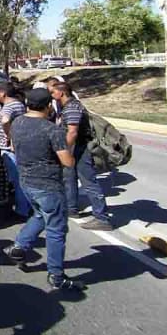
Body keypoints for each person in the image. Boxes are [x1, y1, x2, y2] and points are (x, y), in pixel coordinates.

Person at [4, 89, 85, 291]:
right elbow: (67, 162)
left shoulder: (17, 123)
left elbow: (14, 146)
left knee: (40, 215)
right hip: (48, 186)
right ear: (49, 105)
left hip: (26, 182)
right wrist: (72, 154)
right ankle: (56, 275)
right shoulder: (52, 130)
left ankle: (19, 247)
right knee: (56, 230)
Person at [52, 83, 112, 230]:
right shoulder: (68, 106)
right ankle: (72, 209)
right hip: (76, 148)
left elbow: (72, 132)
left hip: (80, 148)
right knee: (70, 178)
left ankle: (102, 218)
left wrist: (63, 149)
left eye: (52, 92)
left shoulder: (72, 107)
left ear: (61, 93)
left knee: (89, 183)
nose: (51, 95)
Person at [0, 81, 30, 217]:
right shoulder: (19, 104)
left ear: (3, 93)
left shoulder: (8, 107)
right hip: (16, 146)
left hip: (9, 148)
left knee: (17, 179)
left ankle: (23, 208)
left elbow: (5, 120)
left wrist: (9, 136)